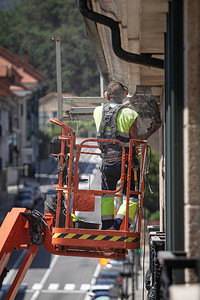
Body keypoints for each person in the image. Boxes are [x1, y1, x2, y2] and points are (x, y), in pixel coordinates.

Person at [93, 81, 161, 230]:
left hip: (106, 162)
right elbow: (135, 141)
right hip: (125, 162)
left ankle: (106, 228)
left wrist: (125, 103)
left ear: (106, 96)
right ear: (123, 95)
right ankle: (117, 227)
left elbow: (112, 119)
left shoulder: (97, 111)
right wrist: (151, 131)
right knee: (131, 199)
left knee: (107, 196)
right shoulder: (131, 114)